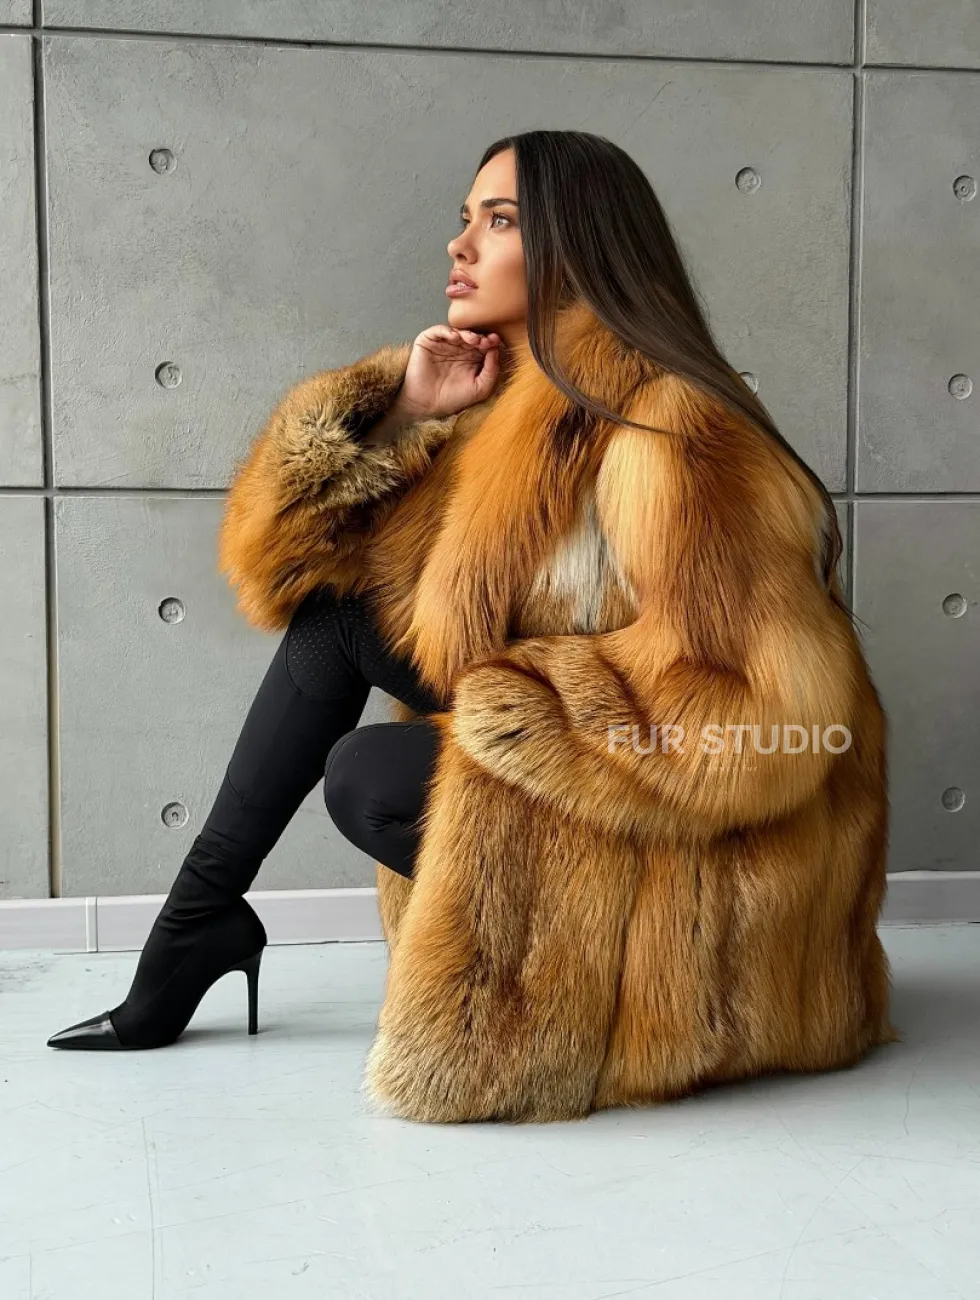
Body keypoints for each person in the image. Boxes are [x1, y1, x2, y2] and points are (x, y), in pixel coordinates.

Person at [46, 131, 895, 1126]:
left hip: (708, 856)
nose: (460, 245)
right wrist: (407, 411)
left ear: (578, 247)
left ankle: (578, 985)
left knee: (369, 778)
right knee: (335, 623)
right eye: (465, 219)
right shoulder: (517, 406)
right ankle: (194, 926)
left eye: (498, 222)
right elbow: (299, 570)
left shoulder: (672, 429)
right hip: (615, 769)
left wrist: (519, 716)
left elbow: (763, 713)